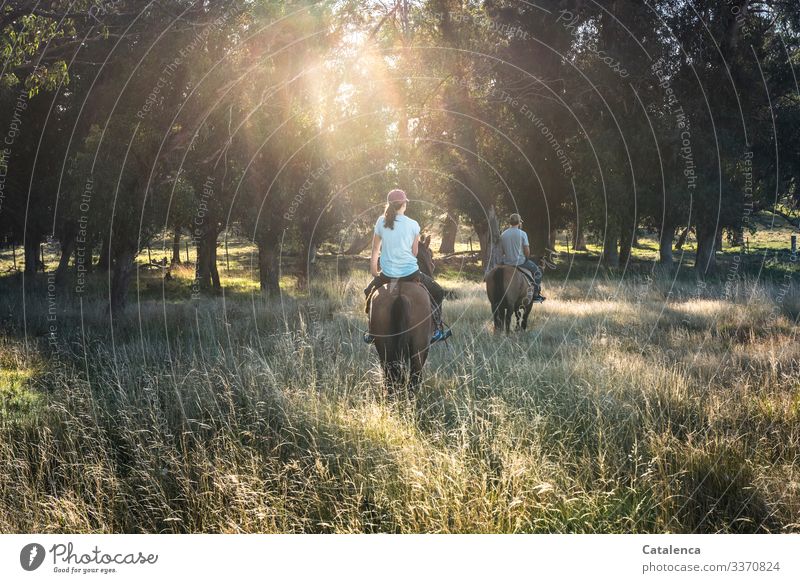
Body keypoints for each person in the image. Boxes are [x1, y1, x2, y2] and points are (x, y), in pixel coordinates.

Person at [363, 189, 451, 344]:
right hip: (411, 273)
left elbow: (375, 249)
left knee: (367, 292)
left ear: (389, 205)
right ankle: (437, 330)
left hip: (388, 274)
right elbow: (415, 252)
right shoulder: (413, 224)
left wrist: (374, 270)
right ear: (404, 204)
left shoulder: (380, 222)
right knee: (438, 292)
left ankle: (371, 331)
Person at [499, 213, 545, 302]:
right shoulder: (522, 234)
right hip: (520, 262)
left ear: (510, 222)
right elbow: (527, 251)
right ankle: (535, 295)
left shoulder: (503, 234)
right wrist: (526, 258)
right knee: (538, 272)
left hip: (507, 262)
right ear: (519, 223)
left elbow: (502, 251)